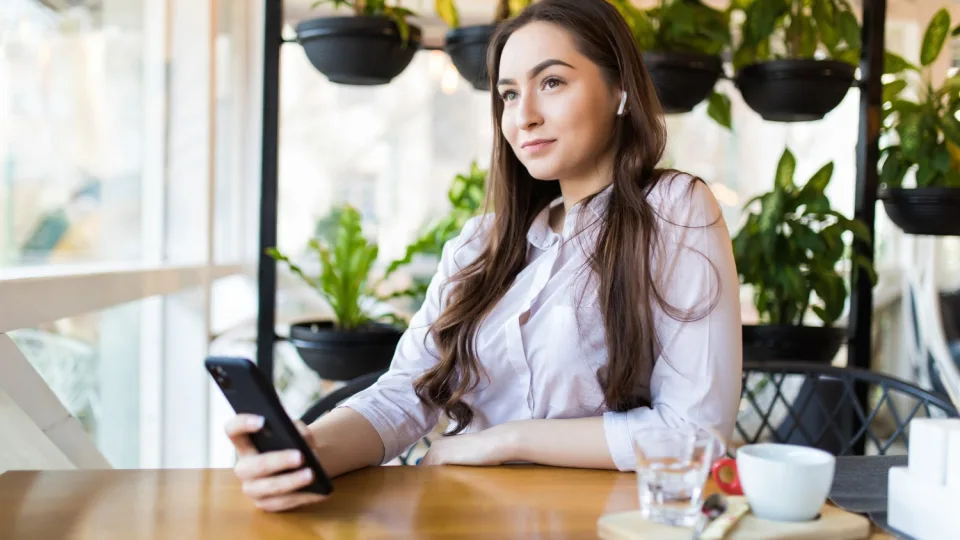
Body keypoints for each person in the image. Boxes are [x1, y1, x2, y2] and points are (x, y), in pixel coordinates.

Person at [225, 0, 742, 512]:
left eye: (553, 82)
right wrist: (307, 452)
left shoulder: (674, 209)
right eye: (509, 94)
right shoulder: (481, 244)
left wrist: (507, 440)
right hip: (467, 516)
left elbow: (693, 432)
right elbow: (405, 395)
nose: (525, 116)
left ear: (620, 90)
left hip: (604, 521)